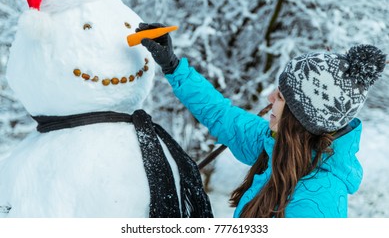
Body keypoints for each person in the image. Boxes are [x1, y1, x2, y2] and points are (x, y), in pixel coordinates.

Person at [137, 23, 387, 218]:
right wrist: (172, 66)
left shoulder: (316, 203)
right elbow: (221, 114)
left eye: (279, 96)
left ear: (299, 117)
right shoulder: (275, 145)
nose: (269, 97)